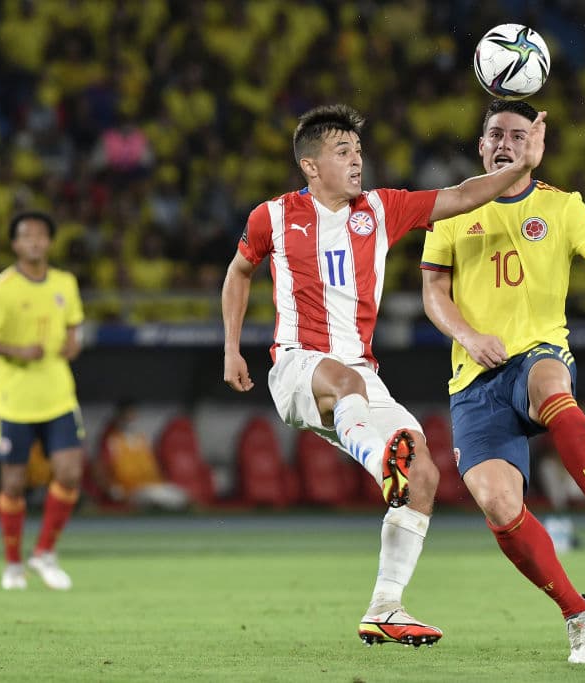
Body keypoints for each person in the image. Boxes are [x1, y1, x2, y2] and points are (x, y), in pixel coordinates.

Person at [221, 103, 546, 647]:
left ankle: (386, 606)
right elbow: (238, 272)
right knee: (358, 406)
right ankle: (380, 464)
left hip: (361, 374)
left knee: (423, 471)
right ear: (310, 165)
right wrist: (232, 349)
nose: (356, 162)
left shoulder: (381, 209)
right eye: (342, 152)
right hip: (299, 364)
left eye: (359, 151)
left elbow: (462, 195)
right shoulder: (271, 217)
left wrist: (520, 167)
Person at [420, 99, 585, 664]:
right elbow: (433, 294)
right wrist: (468, 336)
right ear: (481, 144)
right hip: (475, 376)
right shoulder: (450, 210)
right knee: (496, 503)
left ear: (535, 146)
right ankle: (578, 612)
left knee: (549, 384)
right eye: (496, 133)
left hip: (536, 352)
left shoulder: (564, 208)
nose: (506, 143)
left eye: (518, 135)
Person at [0, 210, 85, 591]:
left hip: (58, 395)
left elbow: (73, 327)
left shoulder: (65, 283)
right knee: (14, 484)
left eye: (40, 235)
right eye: (26, 236)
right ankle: (13, 564)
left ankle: (45, 553)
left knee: (69, 473)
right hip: (15, 401)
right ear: (16, 244)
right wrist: (15, 349)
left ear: (49, 241)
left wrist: (73, 342)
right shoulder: (1, 287)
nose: (34, 241)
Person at [94, 400, 190, 511]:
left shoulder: (142, 440)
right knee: (158, 498)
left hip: (152, 485)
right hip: (131, 489)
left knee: (180, 496)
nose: (130, 419)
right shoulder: (112, 442)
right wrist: (111, 488)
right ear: (119, 417)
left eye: (133, 415)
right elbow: (99, 470)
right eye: (127, 415)